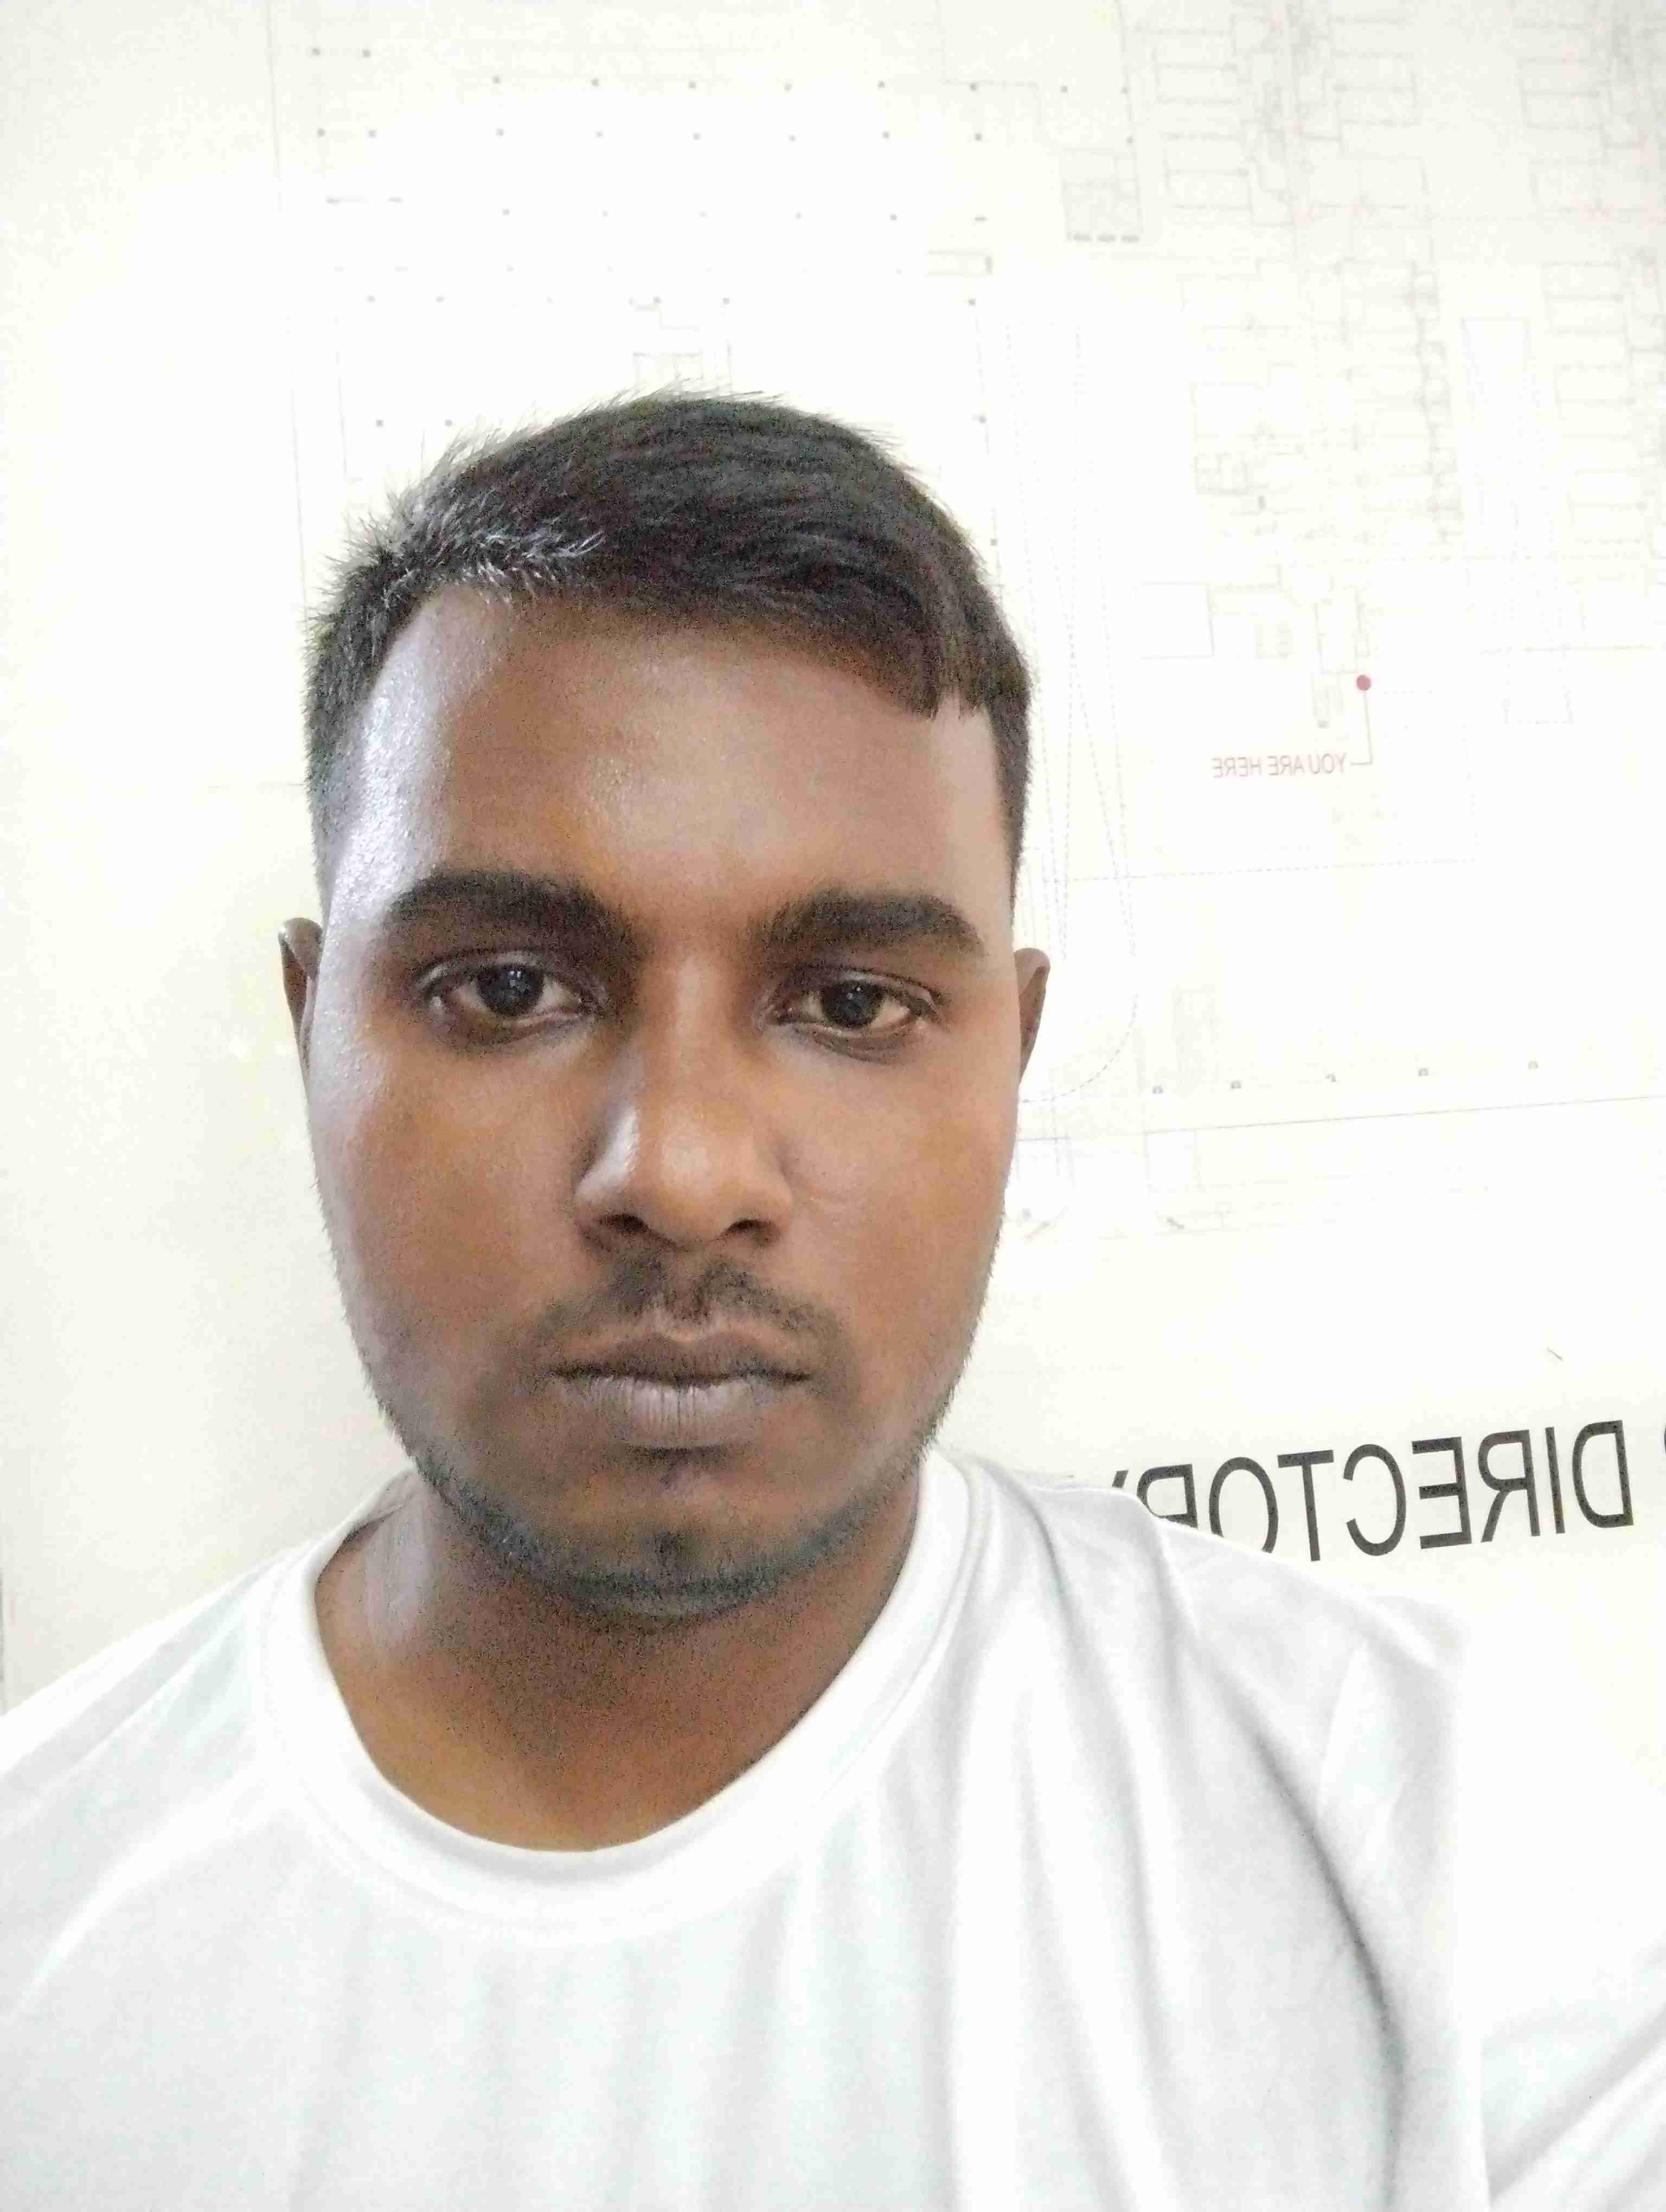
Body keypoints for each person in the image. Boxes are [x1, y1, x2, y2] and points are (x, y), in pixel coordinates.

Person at [3, 394, 1663, 2209]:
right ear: (312, 1027)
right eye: (508, 989)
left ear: (1012, 1053)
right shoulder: (43, 1913)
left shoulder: (1447, 1851)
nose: (680, 1171)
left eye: (853, 1005)